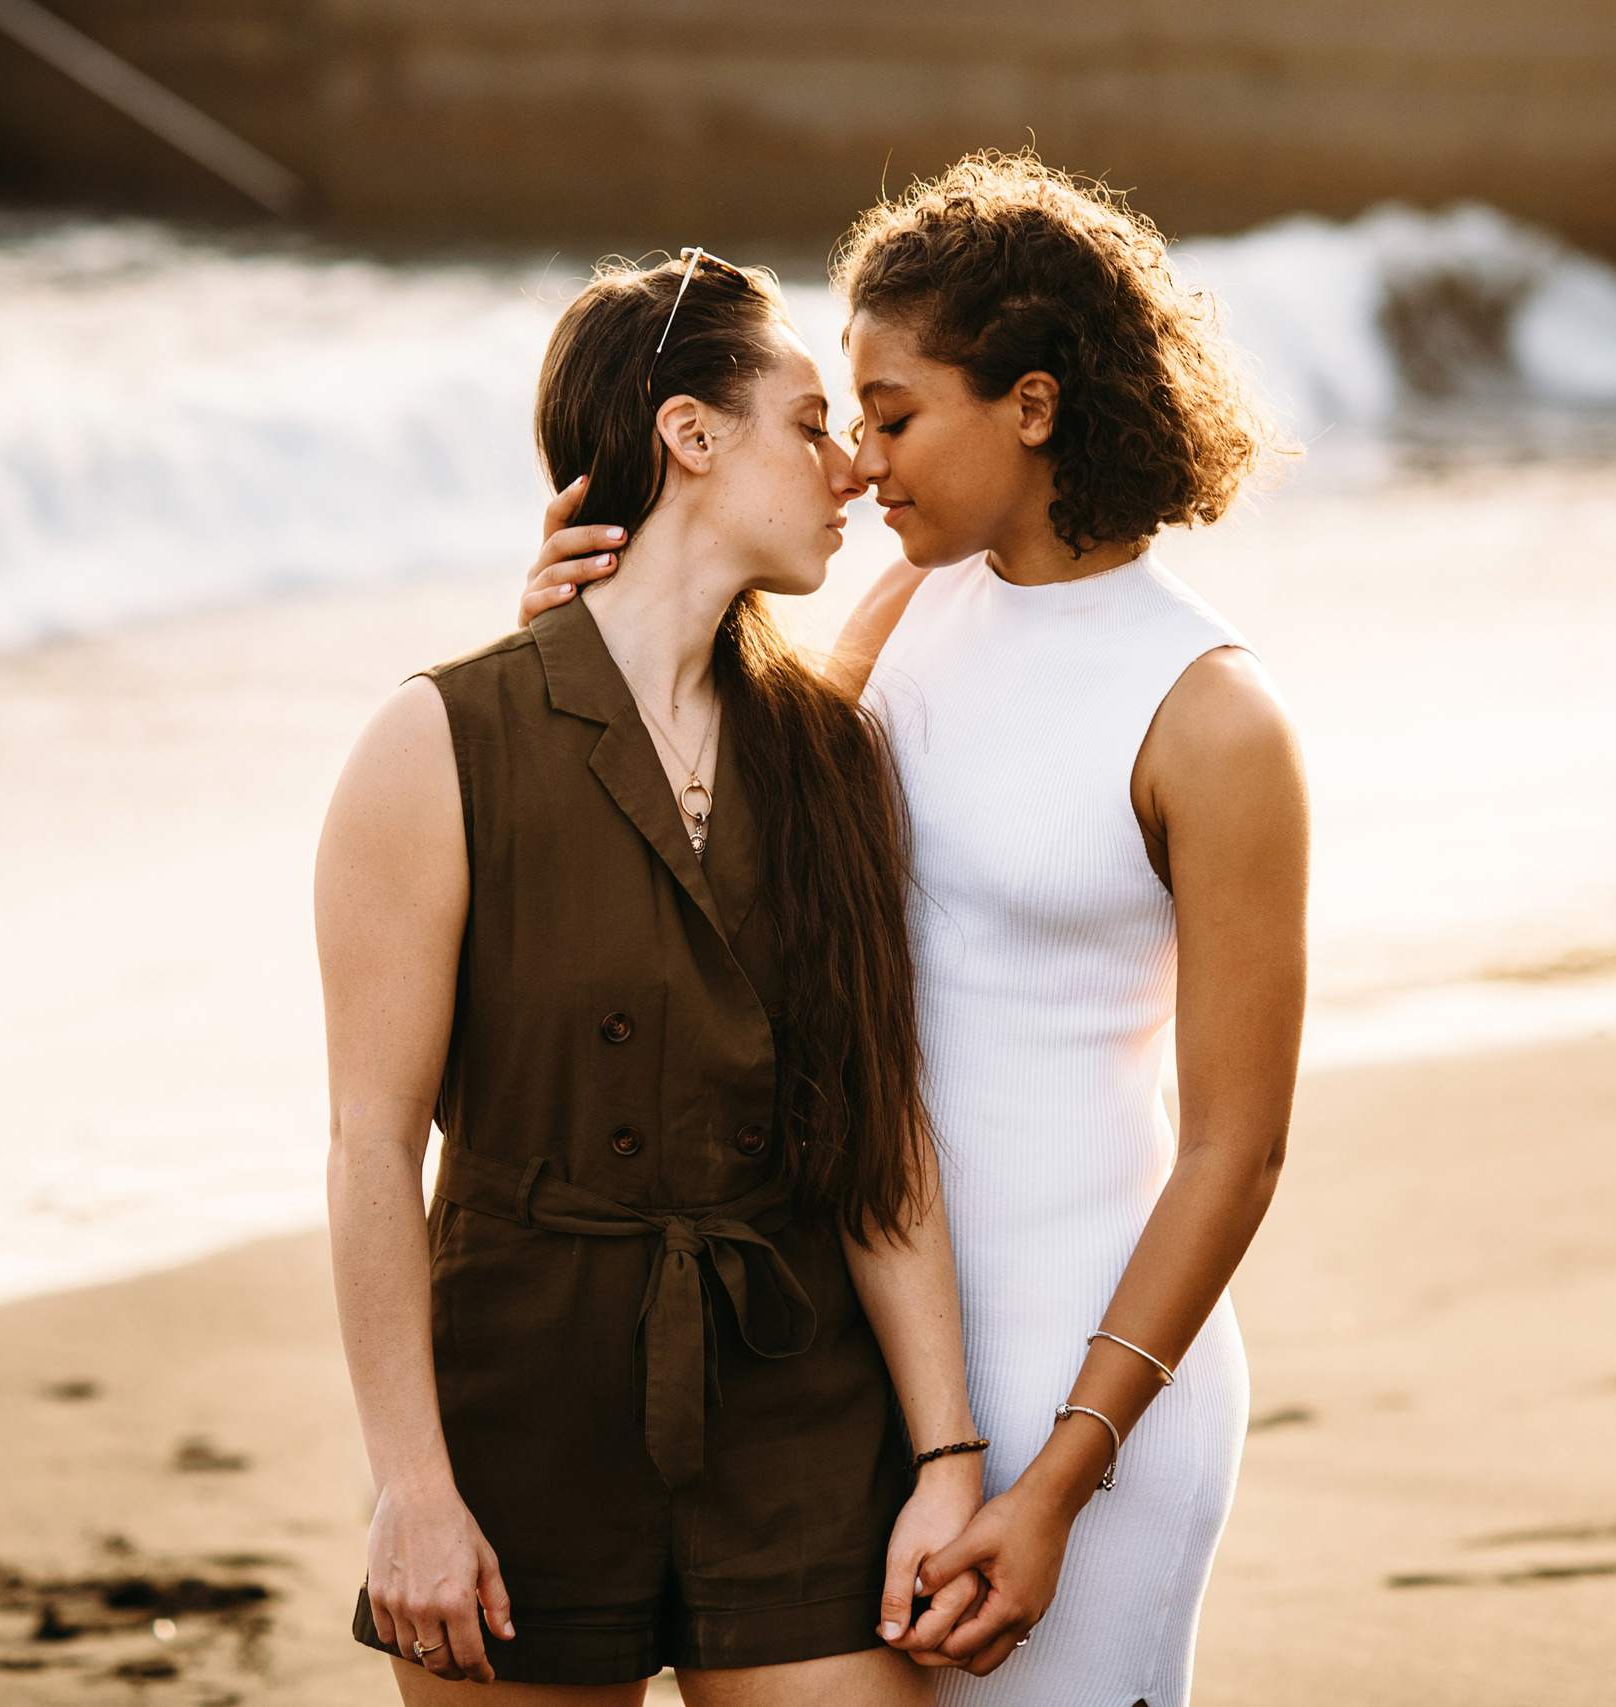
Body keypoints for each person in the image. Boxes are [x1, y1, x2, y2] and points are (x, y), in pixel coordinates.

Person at [522, 156, 1307, 1707]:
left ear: (1030, 403)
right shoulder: (897, 618)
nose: (861, 462)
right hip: (872, 1365)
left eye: (893, 415)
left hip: (1087, 1383)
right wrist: (572, 651)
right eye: (848, 421)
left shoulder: (1212, 716)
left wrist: (1061, 1478)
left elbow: (1237, 1152)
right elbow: (696, 873)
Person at [319, 249, 984, 1703]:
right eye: (811, 424)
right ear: (690, 434)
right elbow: (373, 1144)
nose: (852, 469)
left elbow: (880, 1130)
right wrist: (411, 1488)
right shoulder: (438, 744)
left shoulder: (829, 754)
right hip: (524, 1404)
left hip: (793, 1390)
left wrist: (946, 1459)